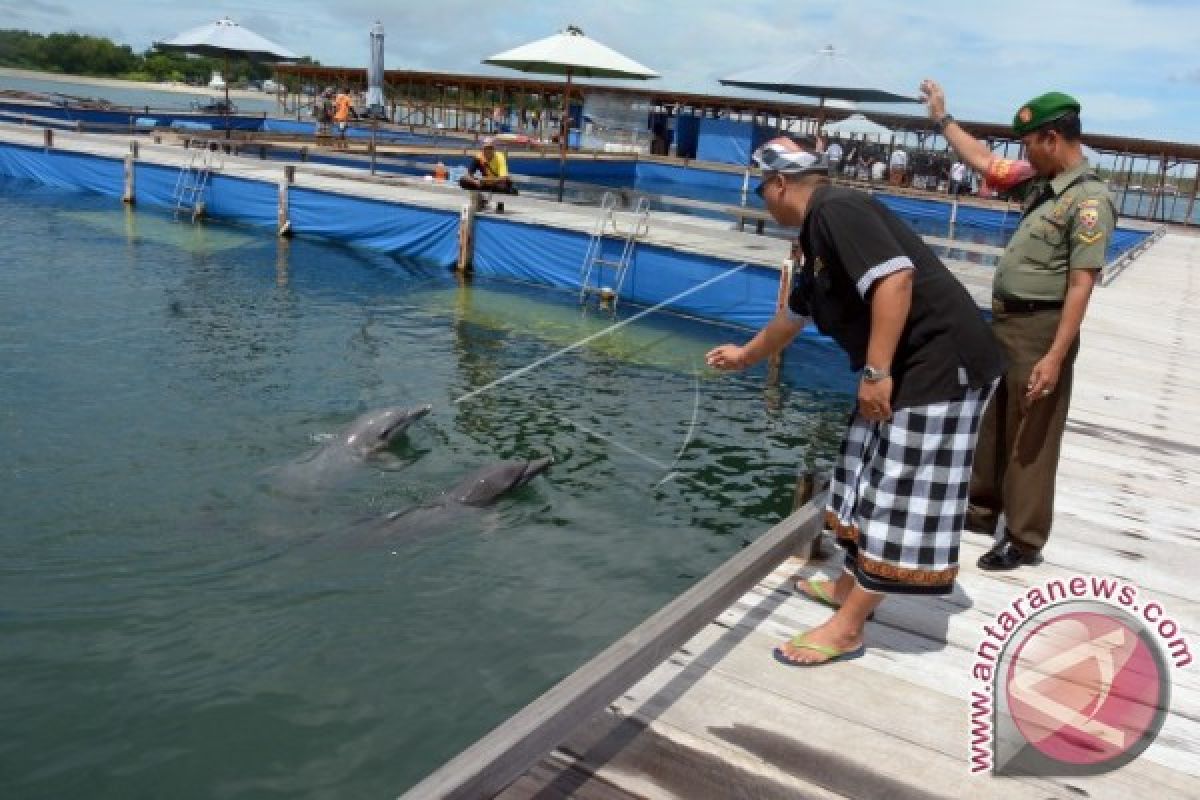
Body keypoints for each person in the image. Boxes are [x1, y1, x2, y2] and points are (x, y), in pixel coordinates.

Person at [706, 138, 1004, 666]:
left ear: (779, 185)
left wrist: (876, 371)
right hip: (907, 367)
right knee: (862, 474)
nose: (761, 202)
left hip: (941, 367)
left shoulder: (836, 209)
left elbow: (896, 279)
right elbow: (794, 315)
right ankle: (849, 587)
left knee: (898, 490)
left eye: (760, 191)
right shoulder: (815, 236)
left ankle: (848, 627)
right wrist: (746, 356)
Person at [920, 81, 1116, 571]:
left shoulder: (1087, 201)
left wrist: (1054, 355)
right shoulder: (1042, 183)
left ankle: (1025, 539)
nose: (1024, 152)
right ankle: (983, 509)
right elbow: (985, 162)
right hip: (1008, 323)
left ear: (1051, 138)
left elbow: (1080, 284)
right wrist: (943, 120)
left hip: (1042, 328)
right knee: (997, 421)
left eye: (1029, 142)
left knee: (1032, 434)